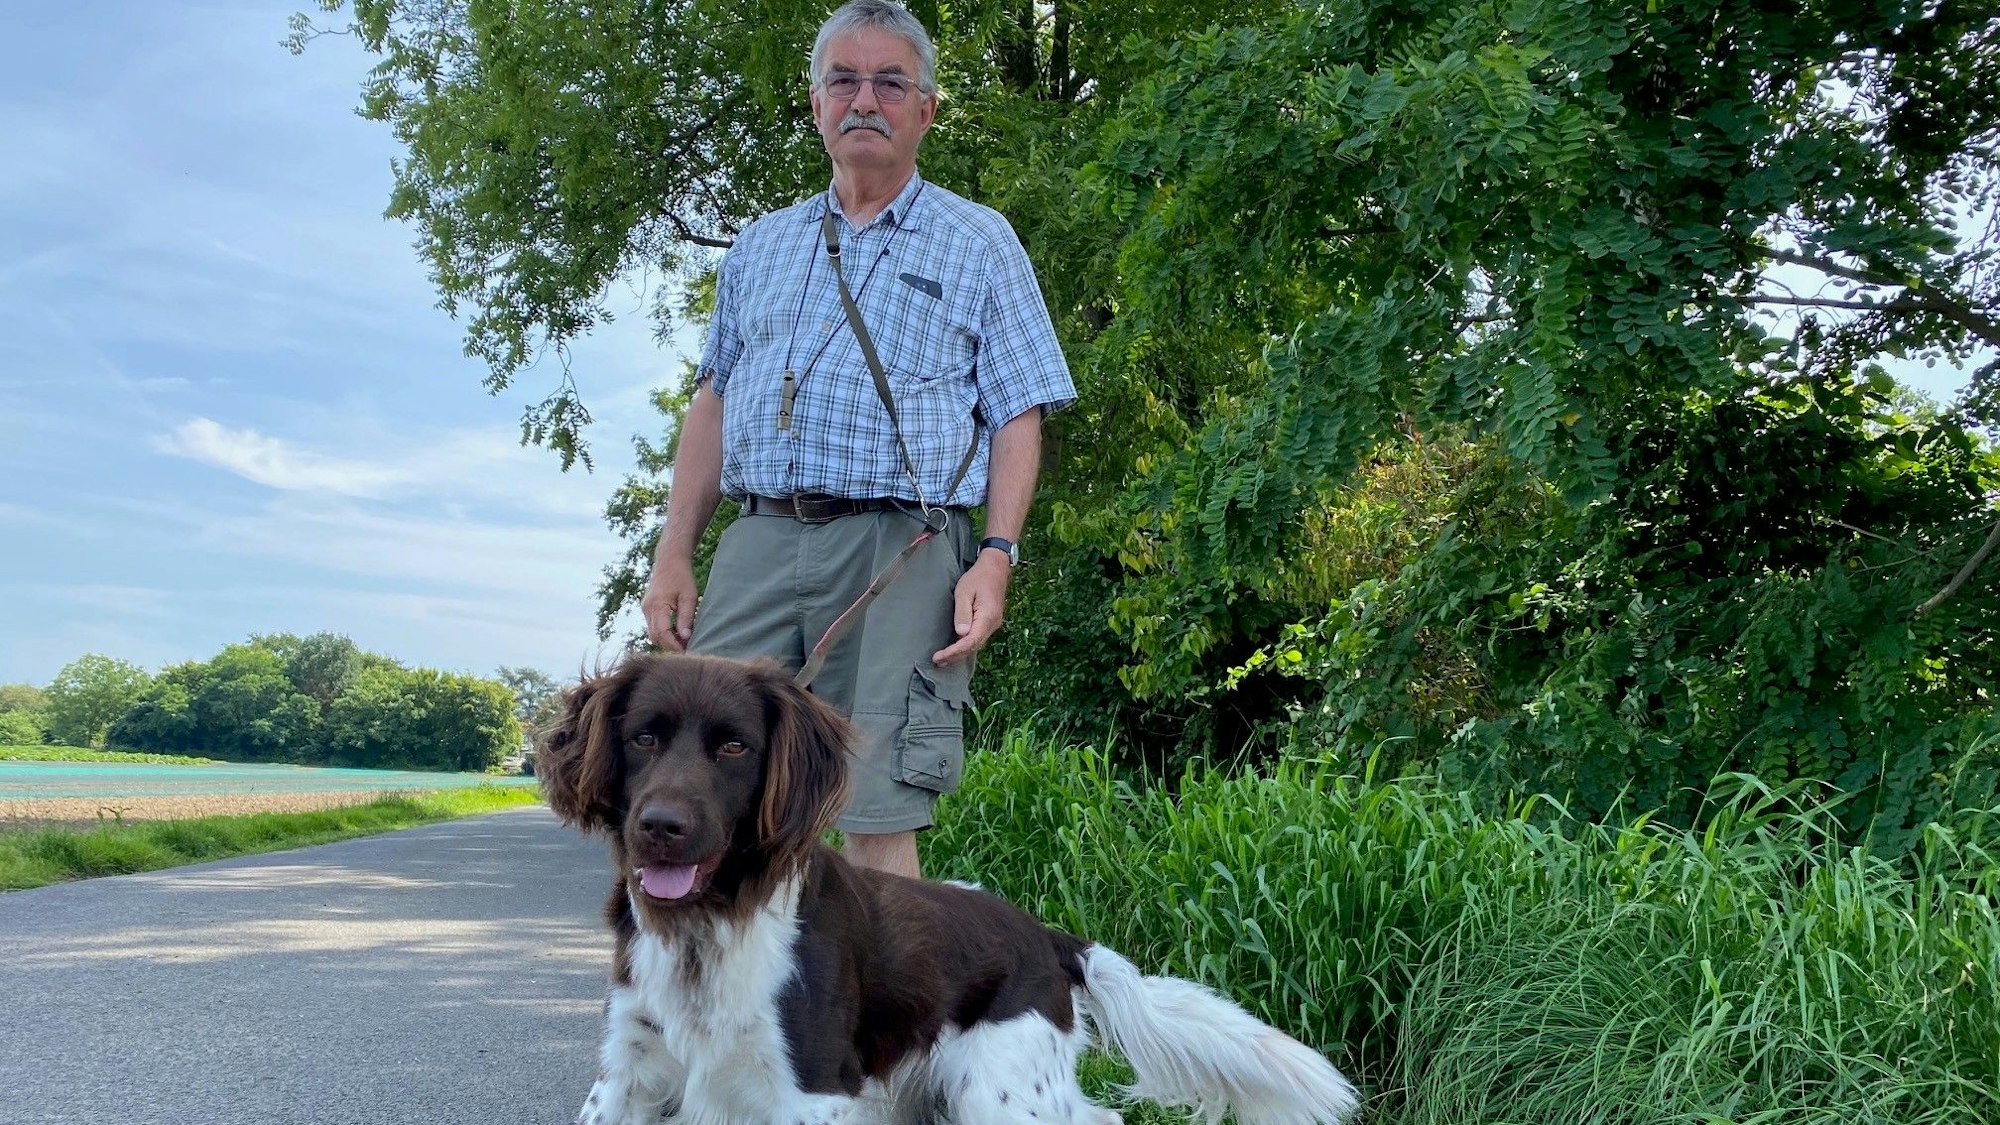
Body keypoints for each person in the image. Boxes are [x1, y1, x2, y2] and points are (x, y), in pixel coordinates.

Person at [640, 0, 1074, 880]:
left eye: (889, 82)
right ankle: (704, 1012)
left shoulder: (978, 241)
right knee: (704, 784)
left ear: (927, 108)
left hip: (902, 547)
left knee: (874, 802)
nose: (864, 99)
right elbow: (712, 403)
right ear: (816, 103)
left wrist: (996, 555)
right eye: (844, 80)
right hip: (759, 538)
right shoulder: (761, 247)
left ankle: (883, 1016)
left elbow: (1018, 413)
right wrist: (673, 550)